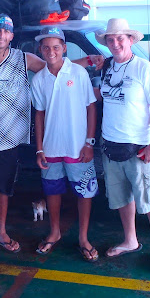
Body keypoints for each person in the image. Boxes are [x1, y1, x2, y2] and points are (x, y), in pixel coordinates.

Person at [0, 14, 103, 273]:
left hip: (11, 141)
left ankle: (2, 234)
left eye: (6, 31)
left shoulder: (22, 59)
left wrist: (86, 63)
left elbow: (55, 66)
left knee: (3, 190)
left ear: (12, 36)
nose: (1, 35)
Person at [95, 18, 150, 275]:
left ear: (130, 40)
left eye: (120, 38)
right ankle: (130, 240)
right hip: (110, 145)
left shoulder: (145, 69)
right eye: (110, 39)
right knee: (121, 197)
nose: (115, 43)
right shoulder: (106, 68)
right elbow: (100, 95)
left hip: (139, 147)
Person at [31, 26, 99, 262]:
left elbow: (91, 107)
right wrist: (40, 148)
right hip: (51, 148)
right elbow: (39, 114)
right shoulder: (39, 79)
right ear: (40, 50)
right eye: (46, 48)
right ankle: (54, 232)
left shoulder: (78, 73)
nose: (51, 52)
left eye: (56, 47)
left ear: (64, 48)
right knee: (52, 191)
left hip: (77, 147)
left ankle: (83, 238)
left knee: (84, 192)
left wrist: (89, 143)